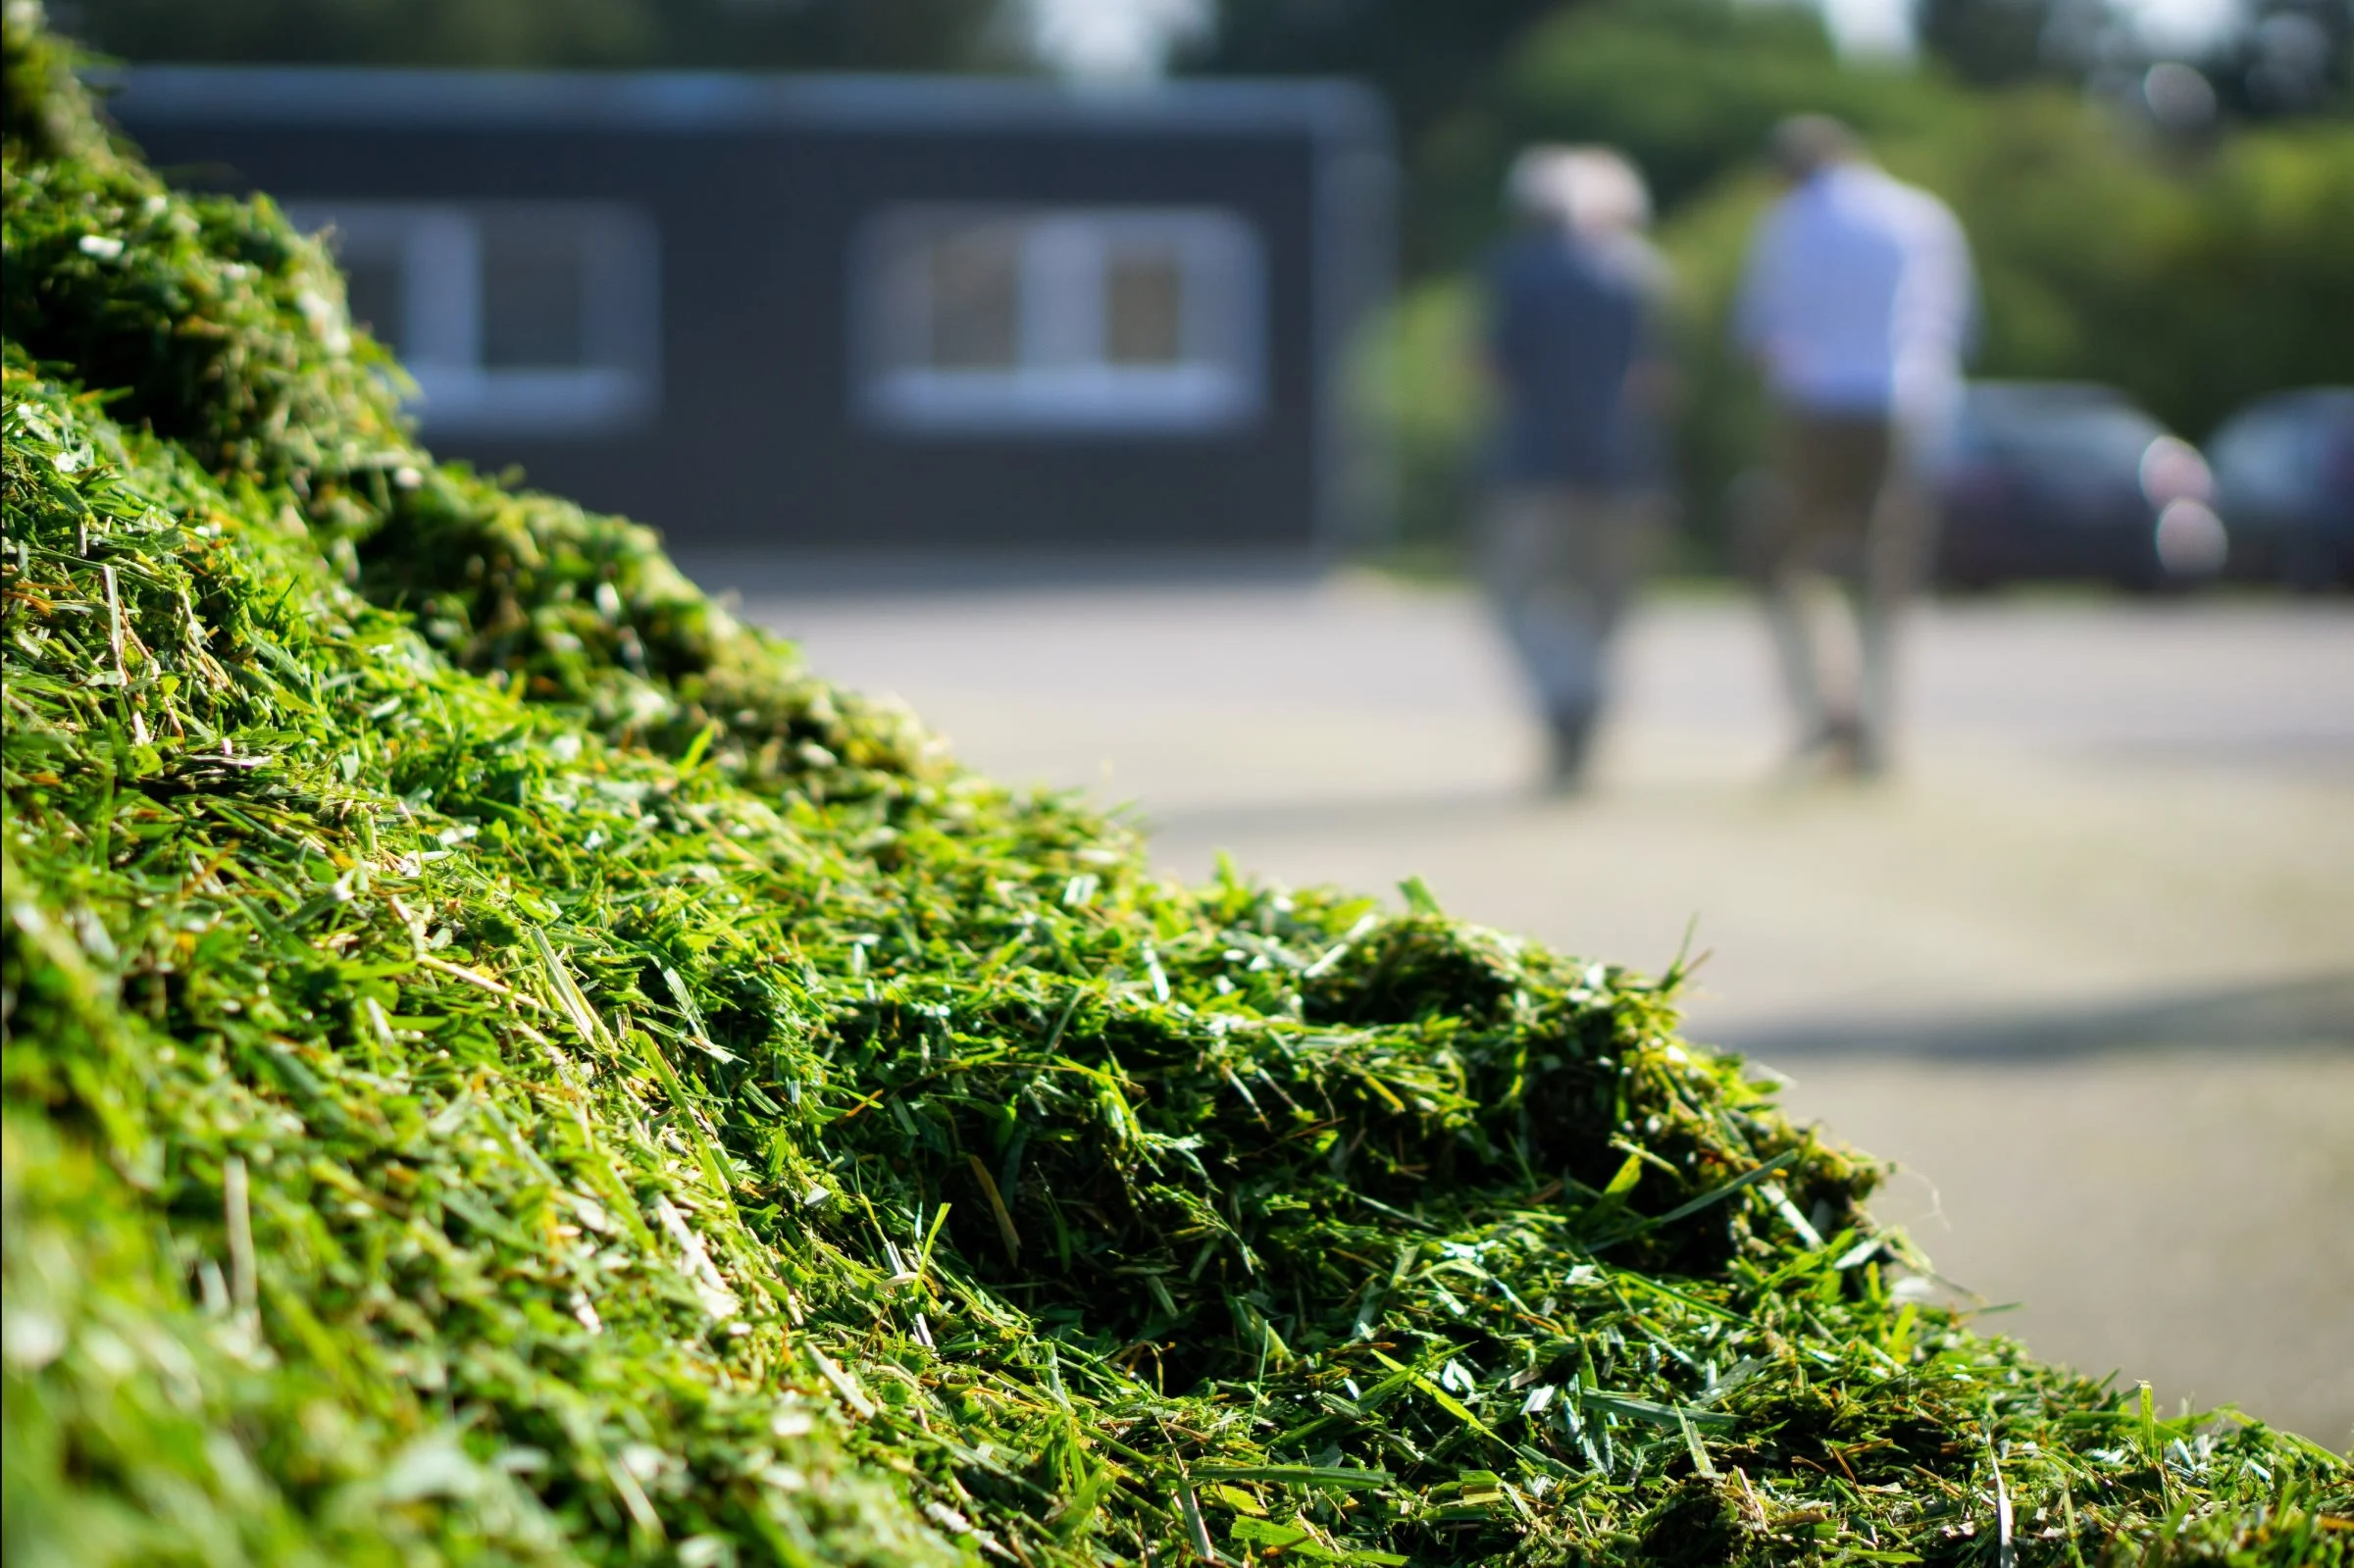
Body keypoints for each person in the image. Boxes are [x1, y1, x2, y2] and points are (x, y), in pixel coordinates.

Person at [1735, 115, 1976, 779]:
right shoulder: (1923, 217)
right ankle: (1876, 721)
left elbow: (1759, 328)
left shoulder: (1786, 223)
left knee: (1783, 562)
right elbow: (1955, 322)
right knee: (1885, 567)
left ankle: (1821, 708)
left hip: (1814, 405)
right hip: (1904, 404)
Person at [1479, 144, 1671, 791]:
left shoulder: (1517, 271)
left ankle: (1565, 695)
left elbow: (1492, 367)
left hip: (1532, 465)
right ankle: (1587, 706)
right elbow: (1657, 380)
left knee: (1517, 597)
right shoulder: (1642, 273)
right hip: (1624, 468)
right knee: (1608, 607)